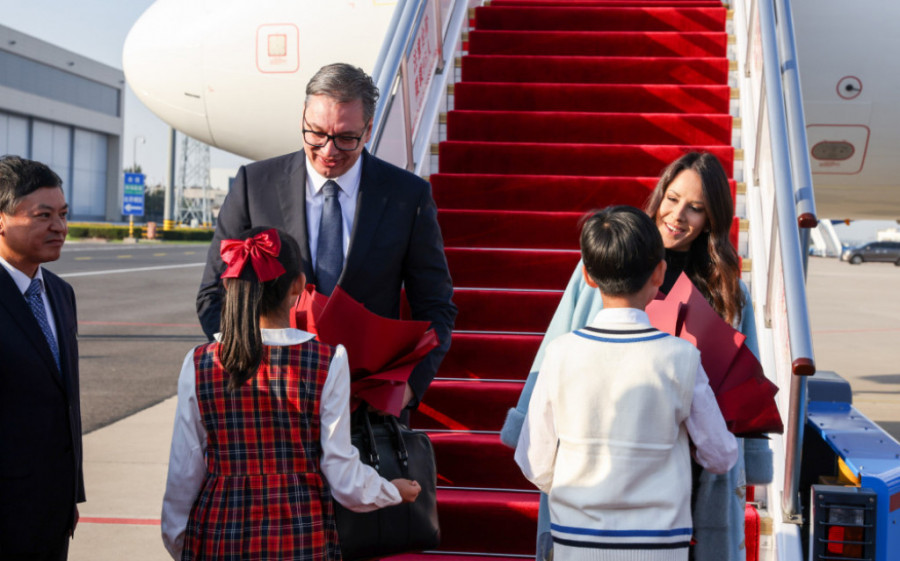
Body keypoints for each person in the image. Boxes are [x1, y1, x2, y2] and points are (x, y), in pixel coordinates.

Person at [501, 152, 772, 561]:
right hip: (603, 461)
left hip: (694, 461)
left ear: (712, 219)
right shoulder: (608, 259)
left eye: (696, 208)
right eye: (672, 199)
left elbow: (743, 387)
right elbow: (560, 339)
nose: (678, 215)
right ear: (660, 195)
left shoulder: (728, 290)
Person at [197, 62, 457, 413]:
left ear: (369, 130)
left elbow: (436, 307)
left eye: (346, 138)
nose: (328, 150)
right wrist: (251, 367)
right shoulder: (253, 186)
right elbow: (213, 295)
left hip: (366, 407)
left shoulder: (408, 197)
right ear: (302, 118)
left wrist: (407, 388)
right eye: (316, 133)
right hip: (271, 399)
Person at [163, 227, 421, 559]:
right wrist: (390, 491)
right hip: (301, 533)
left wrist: (180, 543)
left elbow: (184, 472)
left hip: (220, 532)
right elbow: (343, 476)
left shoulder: (199, 363)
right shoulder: (328, 361)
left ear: (230, 285)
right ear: (298, 286)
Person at [0, 155, 84, 560]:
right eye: (43, 215)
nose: (60, 227)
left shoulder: (60, 293)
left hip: (51, 511)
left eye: (63, 215)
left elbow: (64, 402)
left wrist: (70, 494)